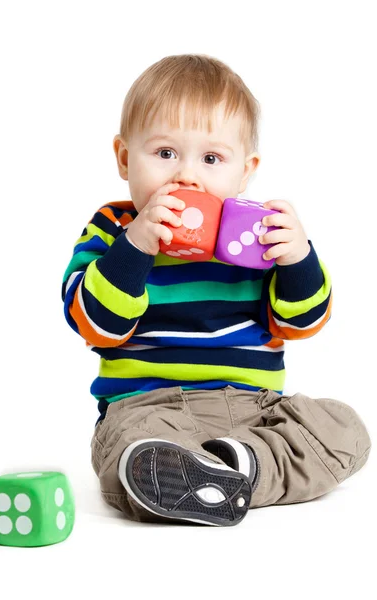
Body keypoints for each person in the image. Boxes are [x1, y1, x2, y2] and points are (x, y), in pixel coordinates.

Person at [62, 54, 371, 526]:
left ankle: (241, 465)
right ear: (125, 158)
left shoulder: (260, 235)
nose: (186, 176)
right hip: (148, 406)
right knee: (132, 447)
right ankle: (185, 474)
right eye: (165, 154)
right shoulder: (113, 231)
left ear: (244, 172)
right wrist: (137, 244)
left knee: (343, 428)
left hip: (255, 409)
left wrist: (298, 257)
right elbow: (94, 323)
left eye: (211, 159)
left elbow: (301, 323)